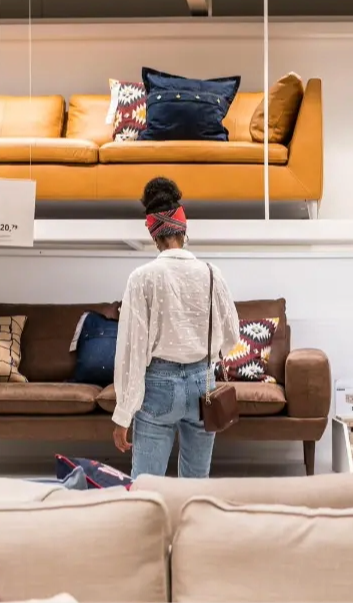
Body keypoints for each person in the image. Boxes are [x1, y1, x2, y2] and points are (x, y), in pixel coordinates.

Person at [111, 177, 240, 479]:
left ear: (153, 235)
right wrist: (209, 355)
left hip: (158, 387)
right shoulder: (211, 273)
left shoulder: (142, 278)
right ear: (184, 228)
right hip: (203, 386)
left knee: (147, 484)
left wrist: (123, 413)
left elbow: (132, 350)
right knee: (195, 486)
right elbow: (232, 333)